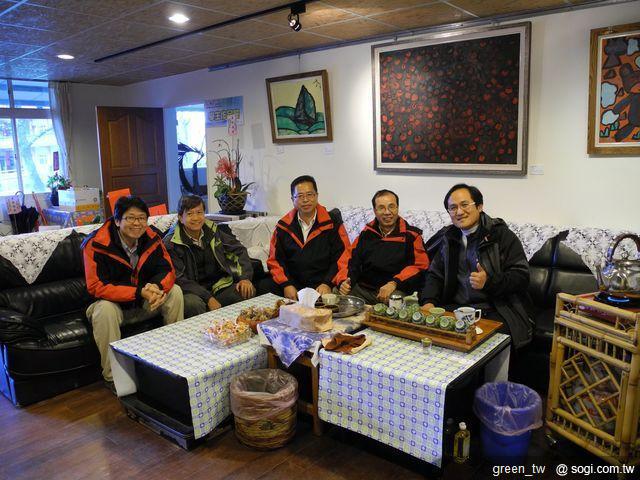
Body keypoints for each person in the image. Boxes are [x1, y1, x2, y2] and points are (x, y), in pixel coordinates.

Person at [82, 196, 184, 388]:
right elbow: (96, 286)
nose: (137, 223)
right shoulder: (96, 244)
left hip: (143, 300)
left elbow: (167, 270)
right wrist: (139, 292)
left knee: (175, 292)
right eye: (130, 218)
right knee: (105, 310)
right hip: (111, 305)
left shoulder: (152, 237)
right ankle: (113, 377)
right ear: (117, 220)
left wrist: (156, 287)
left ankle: (176, 358)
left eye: (142, 218)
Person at [419, 184, 533, 349]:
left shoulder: (500, 235)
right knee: (427, 336)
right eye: (453, 208)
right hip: (456, 308)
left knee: (480, 347)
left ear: (479, 206)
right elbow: (435, 275)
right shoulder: (449, 238)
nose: (459, 212)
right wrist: (429, 301)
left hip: (496, 310)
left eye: (465, 205)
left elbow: (521, 276)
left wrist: (489, 281)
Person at [164, 195, 255, 318]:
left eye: (199, 212)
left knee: (246, 291)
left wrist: (245, 278)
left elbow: (239, 250)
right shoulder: (171, 243)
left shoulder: (212, 230)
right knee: (193, 304)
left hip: (217, 286)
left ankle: (236, 328)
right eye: (190, 214)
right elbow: (180, 279)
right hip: (192, 291)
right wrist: (208, 298)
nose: (196, 218)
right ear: (181, 218)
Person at [263, 175, 351, 300]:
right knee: (263, 287)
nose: (305, 200)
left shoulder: (332, 223)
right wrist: (286, 284)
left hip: (321, 285)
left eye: (310, 194)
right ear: (292, 199)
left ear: (316, 196)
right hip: (292, 285)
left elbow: (343, 256)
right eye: (300, 196)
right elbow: (275, 260)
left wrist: (327, 283)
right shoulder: (283, 226)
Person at [338, 189, 429, 304]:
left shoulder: (412, 235)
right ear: (375, 211)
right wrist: (344, 281)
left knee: (397, 302)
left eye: (391, 207)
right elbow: (349, 259)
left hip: (394, 291)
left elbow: (419, 266)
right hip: (363, 290)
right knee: (336, 293)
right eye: (381, 208)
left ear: (397, 208)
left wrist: (394, 283)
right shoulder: (366, 233)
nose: (387, 212)